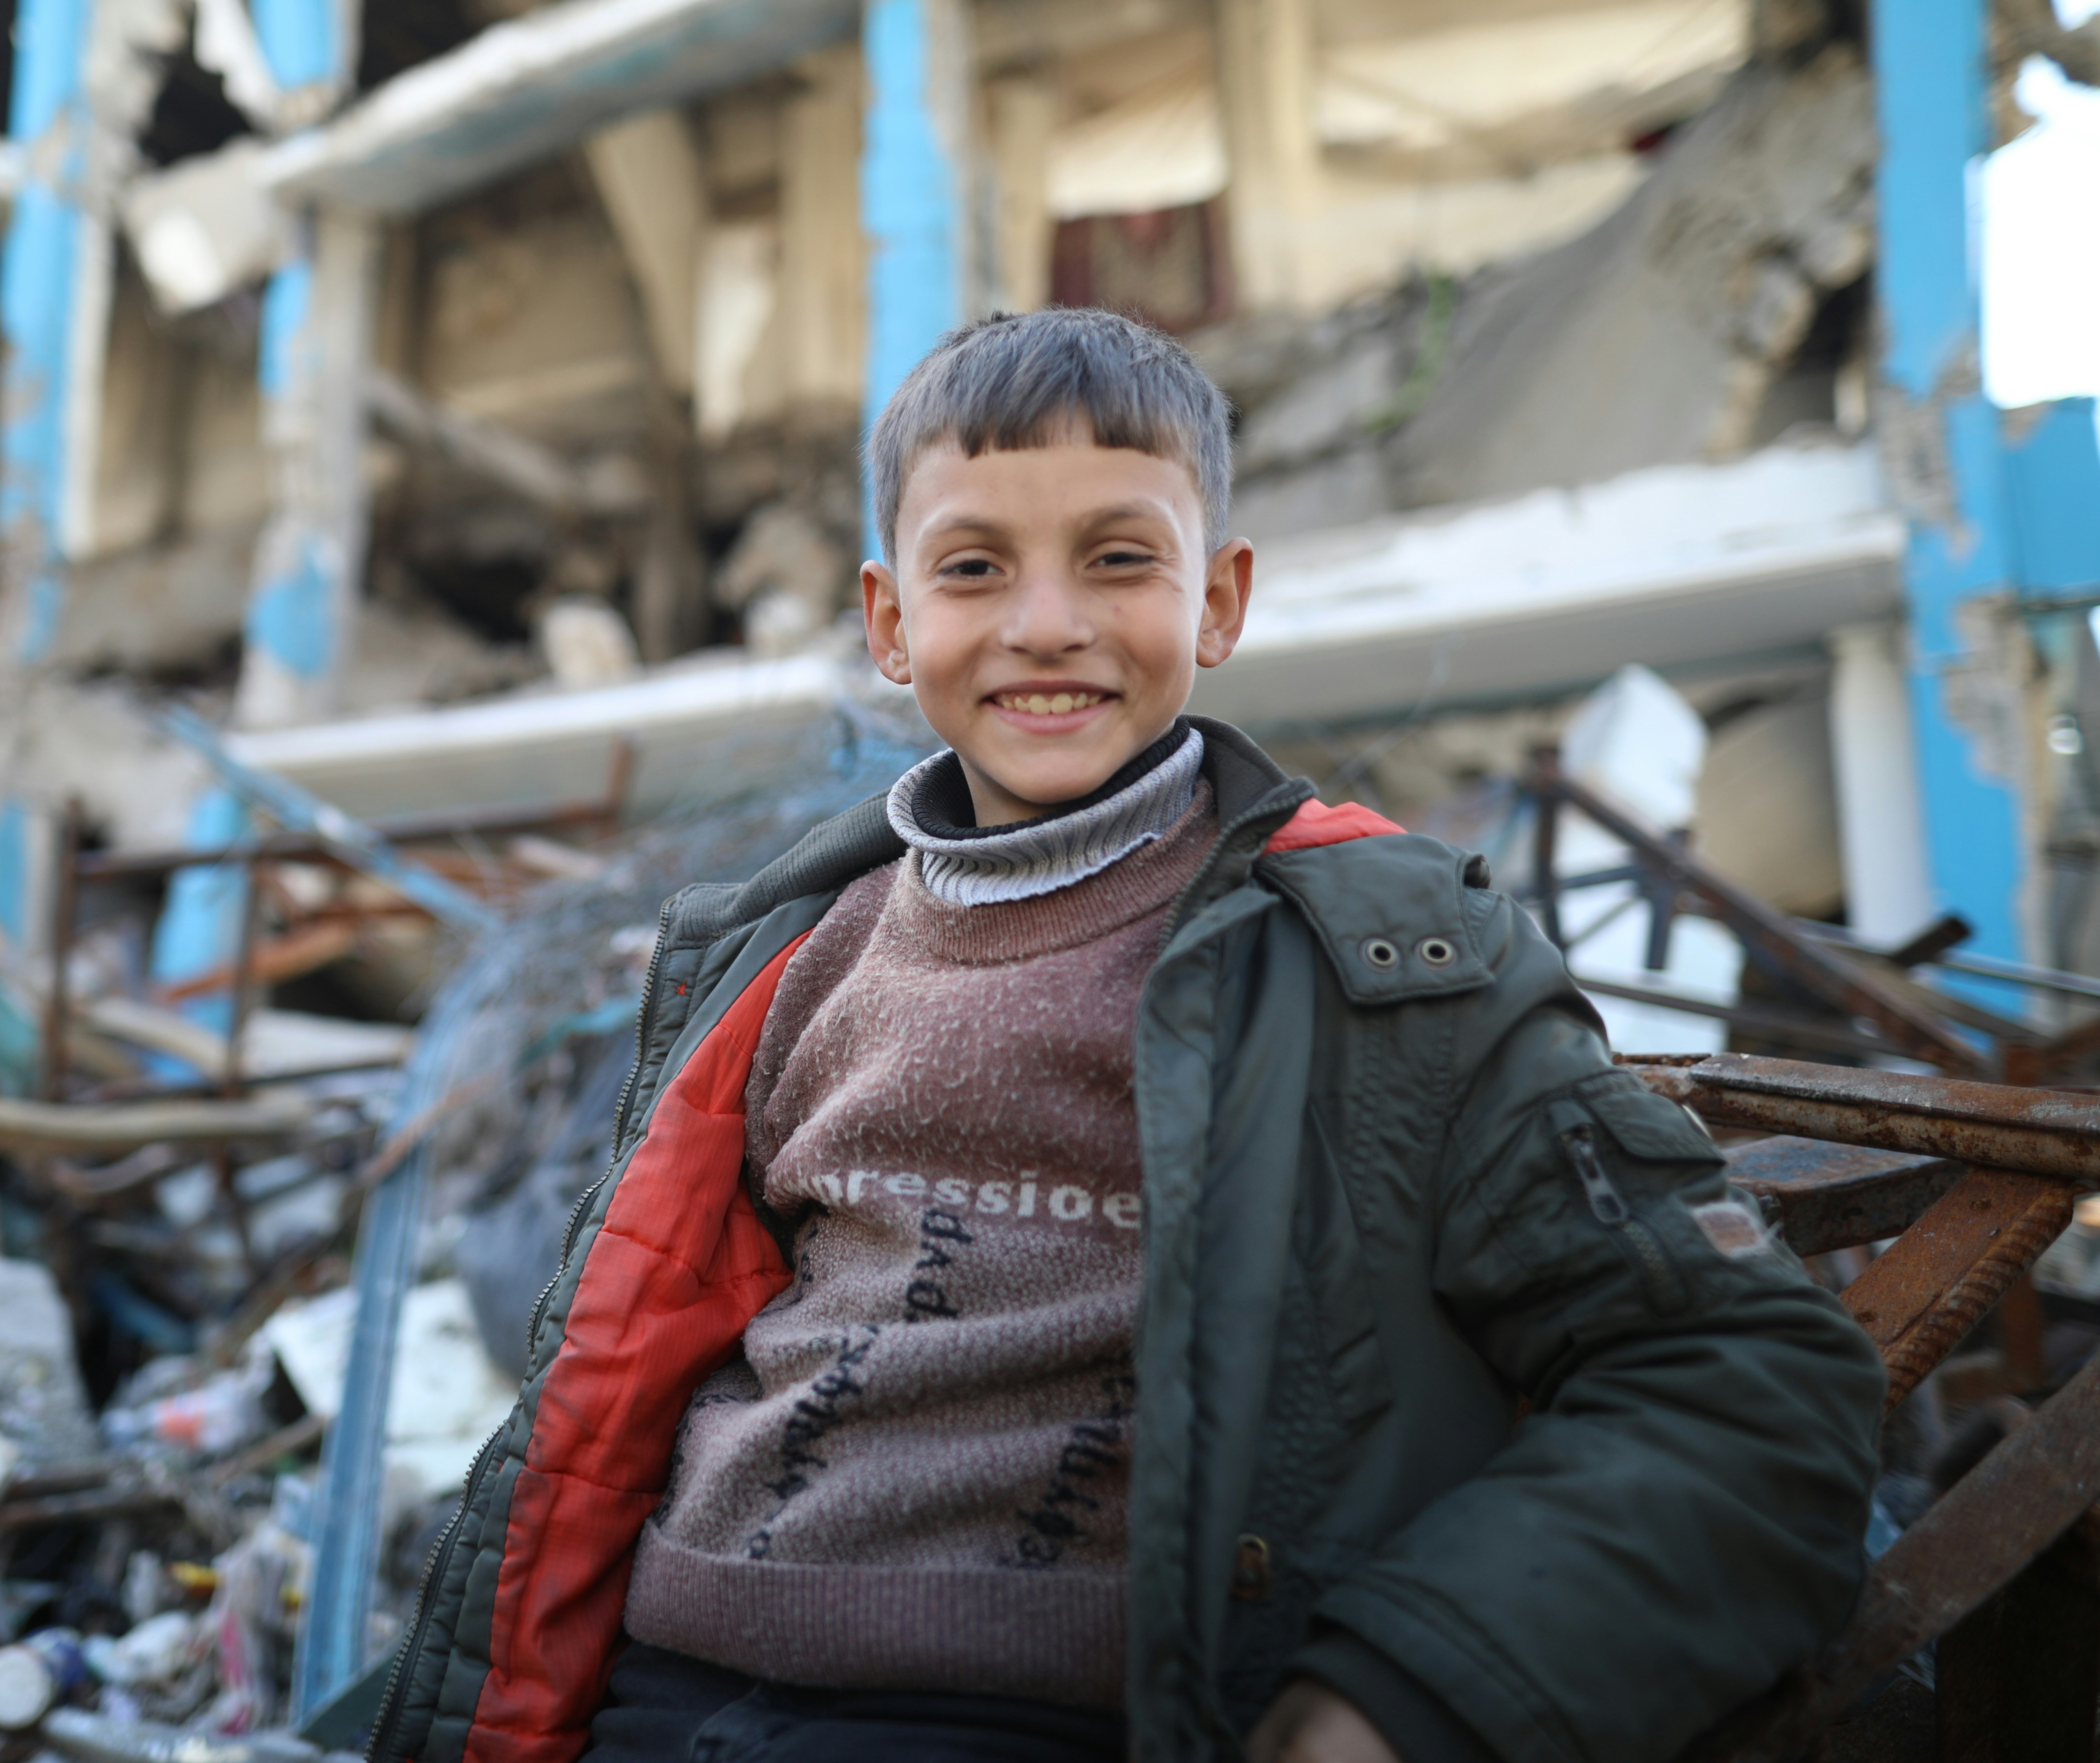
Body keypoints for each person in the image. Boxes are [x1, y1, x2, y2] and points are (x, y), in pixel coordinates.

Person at [364, 309, 1882, 1763]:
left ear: (1217, 602)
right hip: (659, 1689)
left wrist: (1409, 1692)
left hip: (1021, 1720)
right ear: (890, 622)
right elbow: (622, 1384)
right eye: (974, 567)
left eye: (1118, 558)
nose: (1047, 625)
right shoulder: (781, 954)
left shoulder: (1381, 958)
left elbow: (1742, 1373)